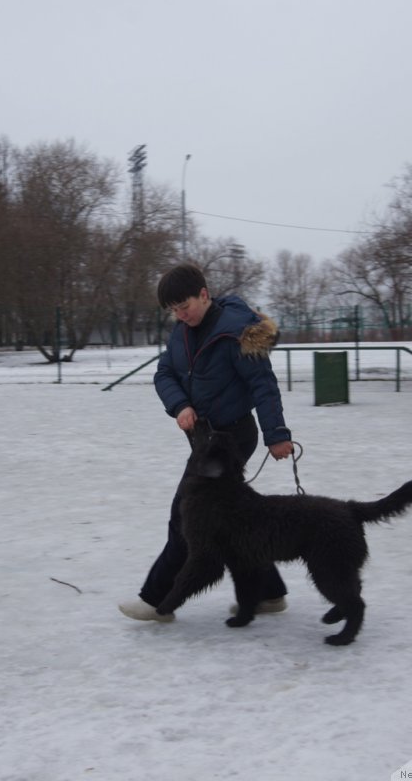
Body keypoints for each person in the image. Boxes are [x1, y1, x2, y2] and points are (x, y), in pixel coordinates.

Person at [119, 263, 294, 622]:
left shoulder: (238, 333)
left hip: (231, 440)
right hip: (204, 440)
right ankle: (270, 593)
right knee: (234, 518)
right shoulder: (181, 333)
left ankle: (157, 599)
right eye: (173, 311)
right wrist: (180, 404)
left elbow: (263, 385)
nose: (181, 316)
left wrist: (277, 435)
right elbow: (164, 372)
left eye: (185, 307)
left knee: (188, 513)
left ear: (203, 294)